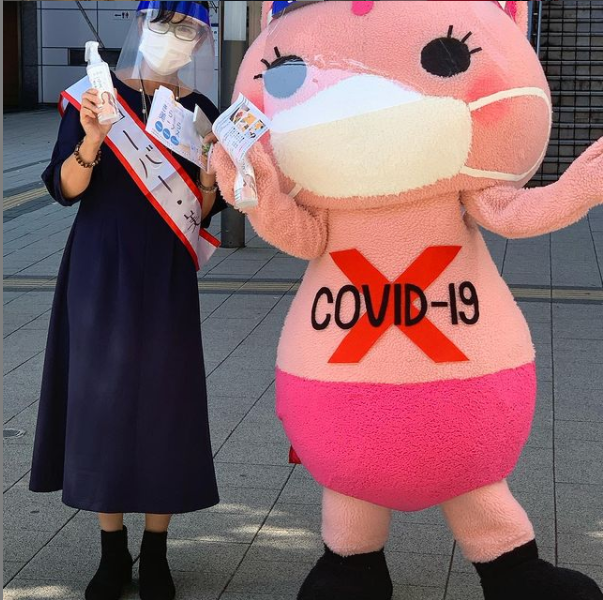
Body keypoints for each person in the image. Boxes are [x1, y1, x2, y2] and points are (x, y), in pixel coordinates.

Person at [29, 3, 226, 600]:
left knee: (167, 402)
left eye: (189, 29)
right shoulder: (94, 96)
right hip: (100, 264)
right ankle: (111, 549)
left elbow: (204, 210)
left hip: (166, 272)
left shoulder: (201, 111)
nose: (176, 37)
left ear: (202, 40)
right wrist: (93, 138)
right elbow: (64, 189)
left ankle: (156, 550)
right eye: (165, 24)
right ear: (140, 26)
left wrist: (211, 174)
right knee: (102, 400)